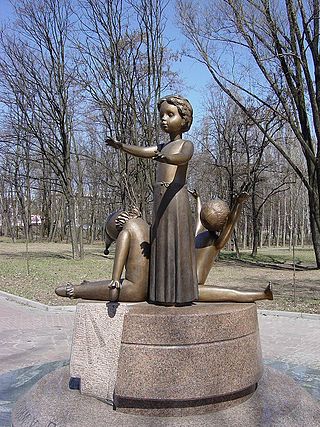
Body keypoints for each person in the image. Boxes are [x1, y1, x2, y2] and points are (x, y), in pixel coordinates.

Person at [56, 198, 272, 303]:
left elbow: (229, 225)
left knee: (230, 294)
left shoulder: (215, 241)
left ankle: (263, 294)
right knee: (229, 294)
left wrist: (237, 208)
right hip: (182, 281)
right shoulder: (200, 236)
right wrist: (197, 201)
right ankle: (83, 288)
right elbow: (198, 221)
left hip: (191, 285)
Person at [106, 95, 198, 306]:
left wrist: (167, 158)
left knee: (176, 244)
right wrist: (121, 146)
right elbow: (142, 151)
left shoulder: (186, 144)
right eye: (162, 115)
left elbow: (183, 158)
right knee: (161, 244)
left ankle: (181, 294)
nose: (164, 119)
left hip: (175, 199)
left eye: (170, 114)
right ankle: (161, 294)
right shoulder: (161, 147)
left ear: (184, 119)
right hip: (159, 200)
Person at [55, 208, 150, 302]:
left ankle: (73, 290)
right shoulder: (146, 227)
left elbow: (117, 273)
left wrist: (115, 282)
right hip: (148, 288)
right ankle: (87, 286)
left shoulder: (125, 232)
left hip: (134, 290)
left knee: (96, 288)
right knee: (99, 285)